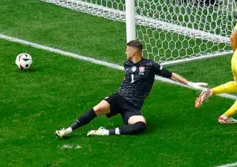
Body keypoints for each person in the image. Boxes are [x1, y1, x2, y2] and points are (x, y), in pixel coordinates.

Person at [55, 40, 206, 138]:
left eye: (127, 50)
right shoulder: (126, 64)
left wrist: (190, 84)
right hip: (119, 98)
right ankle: (68, 130)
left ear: (134, 52)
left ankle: (104, 132)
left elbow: (171, 75)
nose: (125, 52)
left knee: (141, 125)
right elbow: (126, 79)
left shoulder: (150, 65)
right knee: (98, 108)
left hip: (133, 106)